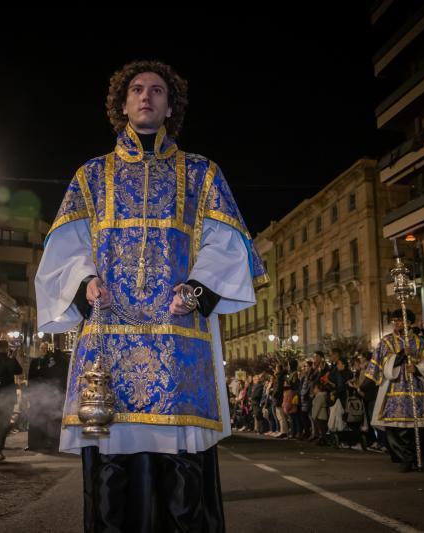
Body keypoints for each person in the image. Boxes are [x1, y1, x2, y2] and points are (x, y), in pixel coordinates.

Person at [35, 60, 266, 532]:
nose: (146, 96)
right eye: (137, 89)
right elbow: (68, 246)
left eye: (157, 90)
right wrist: (84, 282)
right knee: (112, 461)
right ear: (121, 104)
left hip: (178, 333)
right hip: (108, 334)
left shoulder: (202, 173)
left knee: (181, 466)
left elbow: (227, 243)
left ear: (170, 107)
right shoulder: (92, 176)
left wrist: (197, 290)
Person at [365, 309, 424, 473]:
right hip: (395, 389)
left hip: (417, 390)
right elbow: (381, 362)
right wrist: (399, 356)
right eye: (394, 321)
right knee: (397, 428)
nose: (396, 324)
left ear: (409, 322)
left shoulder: (420, 342)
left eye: (399, 320)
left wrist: (418, 369)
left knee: (420, 427)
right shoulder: (387, 341)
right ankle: (404, 459)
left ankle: (422, 459)